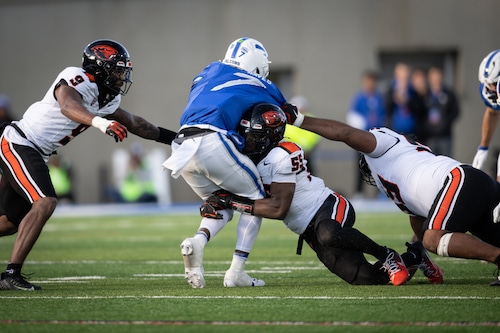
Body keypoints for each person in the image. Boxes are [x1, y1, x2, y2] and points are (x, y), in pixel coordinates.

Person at [0, 39, 176, 291]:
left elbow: (137, 124)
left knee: (9, 222)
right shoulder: (75, 77)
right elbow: (68, 106)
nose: (121, 77)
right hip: (19, 142)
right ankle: (10, 274)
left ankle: (10, 273)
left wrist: (177, 139)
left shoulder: (108, 99)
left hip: (36, 152)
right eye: (117, 71)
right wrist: (101, 123)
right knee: (45, 202)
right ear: (98, 67)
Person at [202, 103, 443, 285]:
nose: (249, 141)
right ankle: (414, 256)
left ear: (270, 137)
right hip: (306, 229)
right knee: (365, 277)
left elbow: (278, 208)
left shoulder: (282, 155)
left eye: (255, 137)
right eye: (248, 135)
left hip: (327, 206)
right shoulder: (248, 154)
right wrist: (164, 135)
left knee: (328, 233)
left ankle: (387, 254)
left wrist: (232, 202)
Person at [282, 107, 500, 286]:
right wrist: (415, 256)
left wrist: (300, 120)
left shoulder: (383, 142)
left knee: (434, 239)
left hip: (457, 180)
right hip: (472, 182)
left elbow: (345, 133)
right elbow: (419, 230)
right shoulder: (407, 174)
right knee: (441, 238)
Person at [162, 37, 290, 288]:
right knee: (256, 200)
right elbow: (282, 108)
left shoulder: (206, 72)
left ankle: (197, 242)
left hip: (181, 146)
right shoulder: (257, 81)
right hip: (211, 141)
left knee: (219, 202)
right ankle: (236, 272)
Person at [347, 70, 386, 197]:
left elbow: (383, 115)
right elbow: (352, 116)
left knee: (379, 166)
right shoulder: (359, 98)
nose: (370, 83)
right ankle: (359, 192)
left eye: (372, 81)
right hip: (362, 137)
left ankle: (380, 193)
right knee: (361, 165)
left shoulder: (379, 98)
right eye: (368, 80)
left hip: (377, 137)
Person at [472, 50, 500, 181]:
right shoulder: (489, 91)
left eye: (493, 84)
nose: (490, 90)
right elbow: (492, 111)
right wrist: (483, 147)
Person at [424, 66, 460, 156]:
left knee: (447, 163)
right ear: (429, 78)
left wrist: (445, 124)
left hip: (445, 136)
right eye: (433, 76)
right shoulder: (425, 95)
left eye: (437, 76)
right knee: (430, 163)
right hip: (429, 137)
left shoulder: (449, 93)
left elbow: (455, 111)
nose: (436, 79)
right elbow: (420, 113)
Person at [283, 96, 321, 175]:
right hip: (288, 156)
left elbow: (315, 138)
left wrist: (306, 152)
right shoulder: (285, 120)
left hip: (306, 156)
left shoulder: (310, 119)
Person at [385, 63, 415, 134]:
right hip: (395, 132)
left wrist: (407, 100)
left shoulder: (412, 91)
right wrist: (395, 98)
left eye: (405, 77)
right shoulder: (390, 91)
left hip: (412, 133)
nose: (403, 80)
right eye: (401, 77)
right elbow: (386, 108)